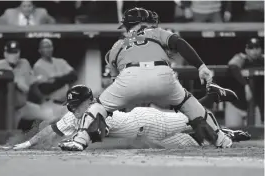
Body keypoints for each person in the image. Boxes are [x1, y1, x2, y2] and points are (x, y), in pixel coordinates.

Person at [58, 7, 233, 152]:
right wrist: (201, 66)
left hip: (129, 76)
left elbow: (116, 80)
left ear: (127, 26)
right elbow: (179, 43)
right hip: (163, 75)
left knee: (99, 106)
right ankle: (222, 139)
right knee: (190, 104)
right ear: (144, 22)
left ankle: (80, 140)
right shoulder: (156, 32)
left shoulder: (117, 45)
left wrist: (121, 104)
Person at [10, 84, 249, 150]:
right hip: (145, 138)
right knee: (193, 142)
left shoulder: (98, 108)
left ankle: (213, 96)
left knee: (194, 118)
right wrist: (27, 144)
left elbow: (96, 135)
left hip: (148, 121)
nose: (71, 109)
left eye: (75, 104)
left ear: (87, 101)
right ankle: (226, 133)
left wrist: (74, 142)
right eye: (70, 105)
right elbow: (53, 129)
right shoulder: (76, 116)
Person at [0, 41, 56, 128]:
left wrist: (44, 99)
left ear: (19, 53)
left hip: (23, 107)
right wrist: (13, 79)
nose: (13, 55)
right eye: (10, 53)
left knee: (50, 114)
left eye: (15, 52)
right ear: (5, 54)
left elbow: (27, 87)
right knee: (8, 136)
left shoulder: (24, 63)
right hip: (6, 111)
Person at [33, 38, 78, 118]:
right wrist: (65, 79)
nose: (48, 49)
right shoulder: (38, 66)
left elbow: (74, 76)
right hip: (50, 105)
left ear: (52, 48)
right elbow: (46, 89)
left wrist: (56, 79)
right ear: (40, 50)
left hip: (65, 104)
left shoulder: (60, 61)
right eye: (45, 47)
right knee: (50, 129)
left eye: (49, 47)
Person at [227, 38, 264, 127]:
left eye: (257, 48)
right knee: (233, 136)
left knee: (257, 137)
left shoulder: (263, 60)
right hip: (236, 106)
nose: (254, 51)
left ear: (261, 49)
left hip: (255, 108)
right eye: (251, 48)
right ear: (246, 50)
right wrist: (246, 85)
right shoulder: (241, 58)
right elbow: (232, 66)